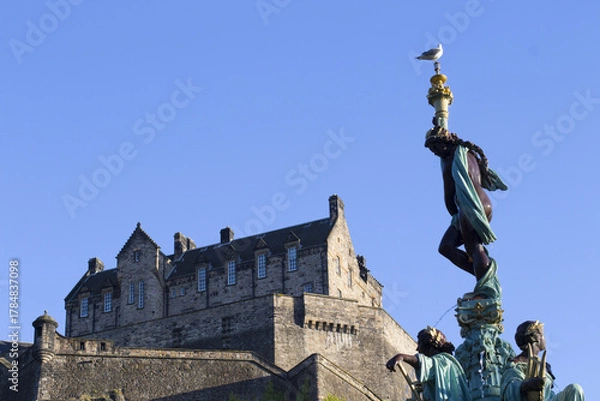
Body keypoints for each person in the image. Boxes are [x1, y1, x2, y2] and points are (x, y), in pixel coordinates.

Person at [424, 124, 507, 280]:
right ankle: (483, 278)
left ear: (445, 143)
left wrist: (454, 214)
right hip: (484, 203)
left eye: (436, 147)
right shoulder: (467, 152)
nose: (435, 152)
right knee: (447, 247)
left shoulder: (450, 160)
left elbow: (448, 195)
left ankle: (485, 286)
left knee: (472, 247)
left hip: (469, 206)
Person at [501, 320, 585, 401]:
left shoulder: (545, 365)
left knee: (575, 389)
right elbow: (510, 386)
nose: (545, 338)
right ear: (535, 338)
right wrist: (526, 385)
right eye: (543, 334)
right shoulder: (516, 363)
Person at [386, 326, 471, 401]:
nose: (417, 348)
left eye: (420, 343)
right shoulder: (445, 364)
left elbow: (425, 363)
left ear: (429, 344)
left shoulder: (443, 362)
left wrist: (401, 356)